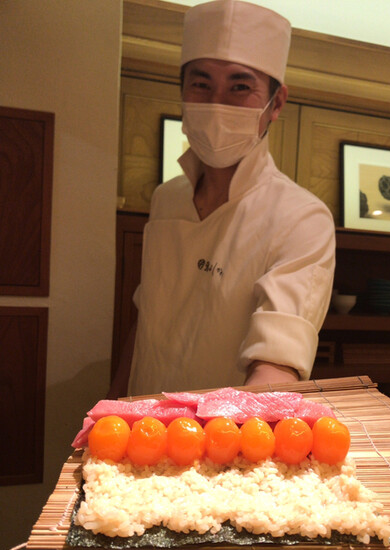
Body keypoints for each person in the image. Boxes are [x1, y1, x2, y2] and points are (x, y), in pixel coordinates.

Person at [109, 0, 335, 400]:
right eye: (201, 84)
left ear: (276, 103)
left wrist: (227, 430)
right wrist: (110, 406)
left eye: (240, 87)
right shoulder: (166, 199)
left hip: (222, 433)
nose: (217, 103)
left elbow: (276, 364)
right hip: (142, 423)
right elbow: (145, 324)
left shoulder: (302, 218)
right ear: (182, 92)